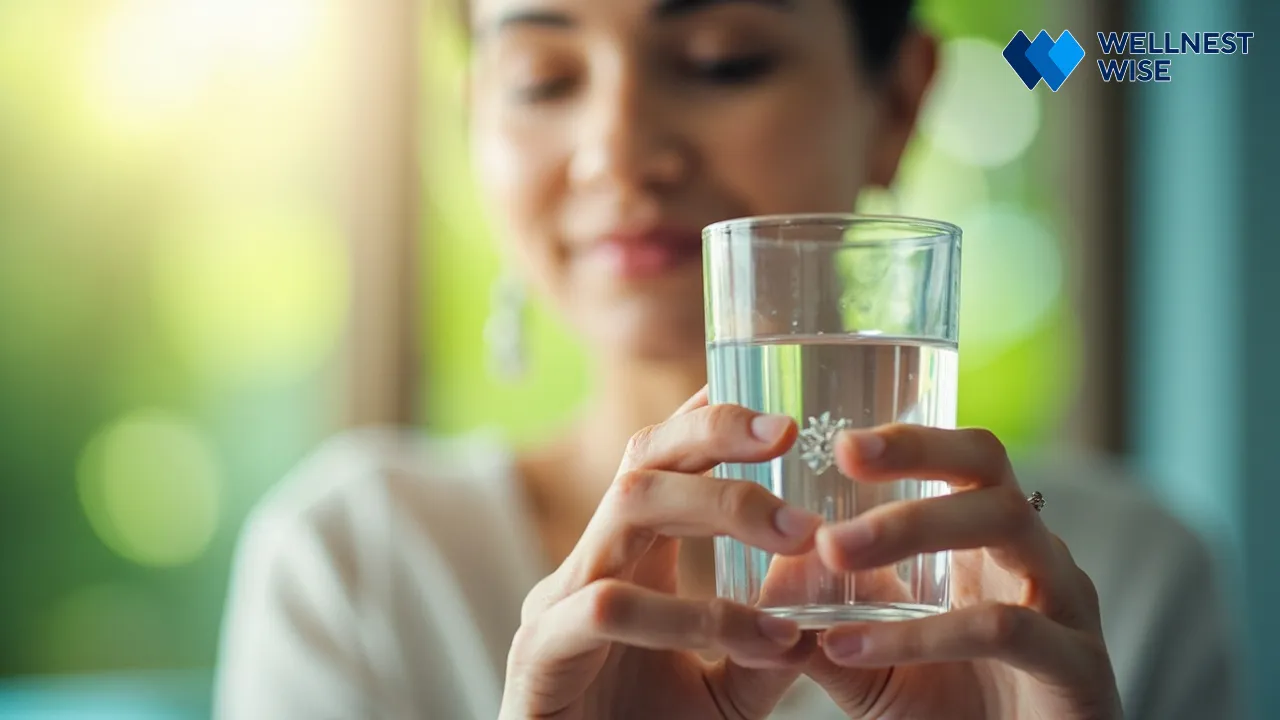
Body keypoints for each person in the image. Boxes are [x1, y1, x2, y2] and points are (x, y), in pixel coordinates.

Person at [213, 0, 1242, 717]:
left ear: (896, 103)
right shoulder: (357, 564)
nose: (617, 151)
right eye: (541, 77)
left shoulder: (1123, 582)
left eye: (719, 60)